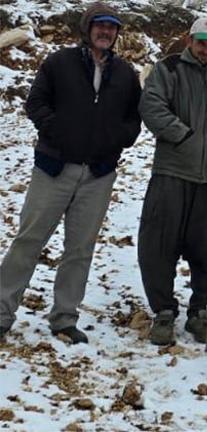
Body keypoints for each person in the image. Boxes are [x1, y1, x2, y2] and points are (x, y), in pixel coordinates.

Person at [0, 2, 141, 344]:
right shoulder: (59, 63)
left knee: (80, 248)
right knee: (28, 240)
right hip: (53, 168)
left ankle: (64, 317)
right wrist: (55, 131)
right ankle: (2, 312)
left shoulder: (125, 73)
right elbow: (35, 103)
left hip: (98, 173)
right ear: (87, 28)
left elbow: (133, 119)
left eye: (112, 27)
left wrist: (116, 141)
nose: (106, 32)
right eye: (100, 25)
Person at [138, 16, 207, 345]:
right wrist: (183, 135)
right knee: (159, 244)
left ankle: (199, 311)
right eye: (201, 42)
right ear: (189, 40)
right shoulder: (167, 69)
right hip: (172, 170)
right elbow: (151, 106)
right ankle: (164, 312)